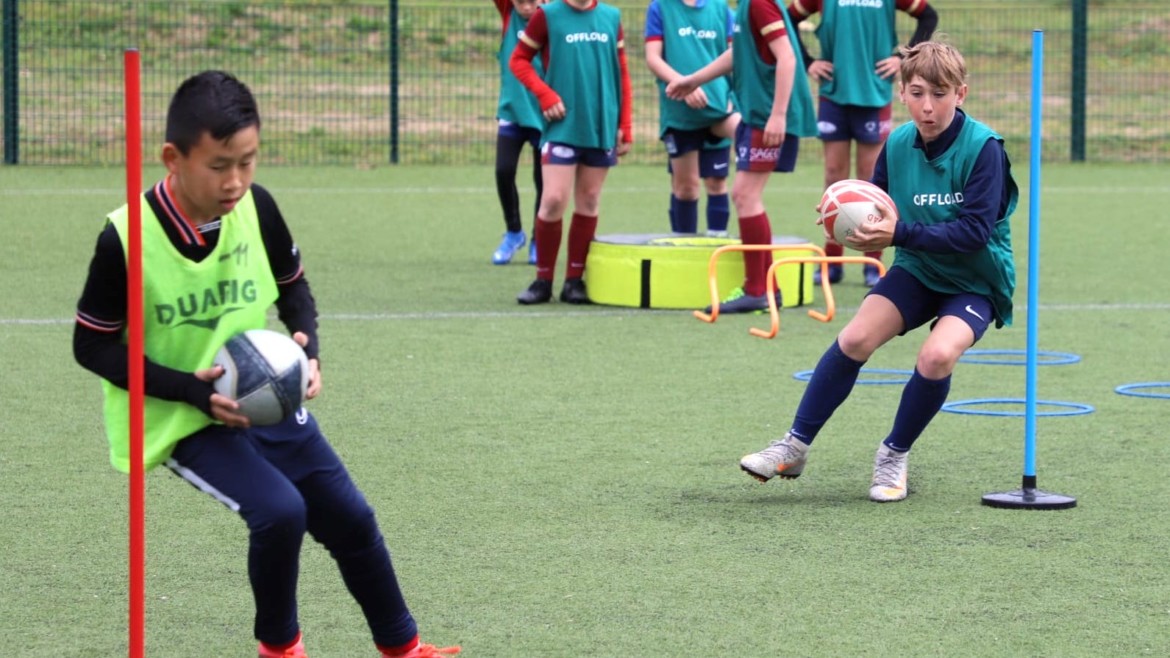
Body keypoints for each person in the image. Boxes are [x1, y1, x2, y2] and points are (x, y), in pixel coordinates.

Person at [72, 71, 460, 658]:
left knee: (350, 518)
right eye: (220, 165)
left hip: (269, 396)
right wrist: (192, 392)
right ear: (173, 158)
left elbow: (293, 287)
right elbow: (91, 345)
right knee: (280, 512)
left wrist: (309, 349)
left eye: (248, 162)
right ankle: (279, 648)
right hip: (184, 415)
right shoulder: (123, 240)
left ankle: (403, 647)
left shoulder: (259, 206)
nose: (236, 181)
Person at [738, 40, 1018, 503]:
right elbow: (878, 204)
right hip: (918, 268)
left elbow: (972, 234)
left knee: (937, 356)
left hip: (975, 279)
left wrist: (897, 234)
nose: (928, 107)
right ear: (902, 93)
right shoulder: (899, 142)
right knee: (853, 339)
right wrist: (842, 213)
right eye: (917, 93)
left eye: (941, 94)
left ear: (961, 93)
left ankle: (893, 454)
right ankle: (794, 446)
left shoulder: (983, 149)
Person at [666, 0, 817, 314]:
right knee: (745, 195)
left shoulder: (760, 4)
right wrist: (695, 79)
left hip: (767, 115)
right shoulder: (746, 6)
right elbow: (740, 53)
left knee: (745, 195)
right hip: (755, 112)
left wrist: (778, 115)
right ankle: (766, 289)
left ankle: (757, 289)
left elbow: (787, 57)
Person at [787, 0, 939, 287]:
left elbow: (928, 15)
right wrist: (809, 62)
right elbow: (788, 18)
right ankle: (832, 261)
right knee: (833, 174)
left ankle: (873, 260)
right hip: (834, 93)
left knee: (873, 179)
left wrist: (902, 57)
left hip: (874, 94)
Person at [509, 0, 634, 305]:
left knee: (589, 199)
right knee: (553, 200)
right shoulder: (547, 15)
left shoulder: (610, 16)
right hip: (563, 124)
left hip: (601, 122)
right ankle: (543, 280)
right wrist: (544, 94)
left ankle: (574, 281)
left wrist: (625, 123)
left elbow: (622, 72)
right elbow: (519, 60)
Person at [644, 0, 739, 237]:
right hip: (680, 114)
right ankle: (683, 250)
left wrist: (735, 98)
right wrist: (683, 85)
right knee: (686, 188)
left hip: (718, 109)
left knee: (717, 182)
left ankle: (716, 243)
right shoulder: (660, 8)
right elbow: (653, 58)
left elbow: (736, 58)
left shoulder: (722, 9)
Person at [490, 0, 545, 265]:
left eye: (532, 1)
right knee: (503, 170)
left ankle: (538, 238)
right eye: (521, 1)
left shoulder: (551, 17)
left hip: (545, 115)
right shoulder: (508, 14)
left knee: (543, 180)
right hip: (512, 112)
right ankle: (514, 233)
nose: (526, 6)